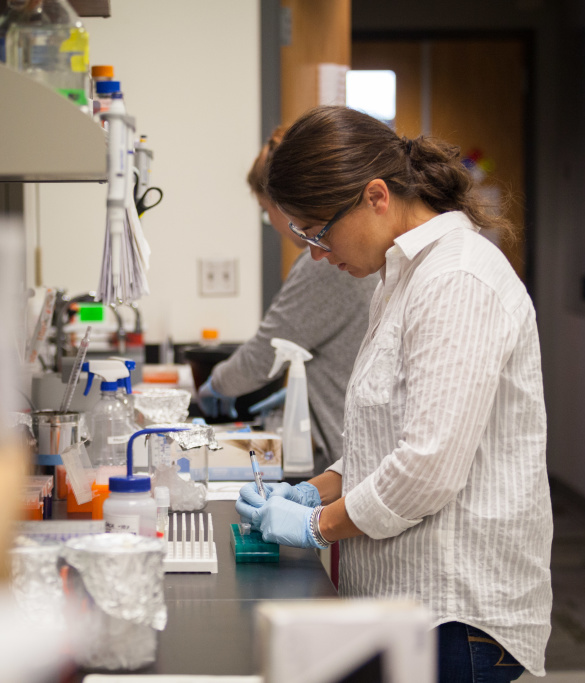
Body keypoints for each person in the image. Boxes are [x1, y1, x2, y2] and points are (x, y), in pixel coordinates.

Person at [235, 106, 552, 682]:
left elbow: (426, 467)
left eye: (318, 231)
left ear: (376, 196)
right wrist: (314, 489)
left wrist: (316, 525)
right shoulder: (400, 276)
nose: (315, 253)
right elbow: (386, 437)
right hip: (407, 603)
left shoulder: (456, 279)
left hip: (454, 616)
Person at [197, 126, 378, 474]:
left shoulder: (325, 264)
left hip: (355, 459)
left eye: (268, 209)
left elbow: (267, 351)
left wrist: (213, 387)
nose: (275, 222)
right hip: (353, 454)